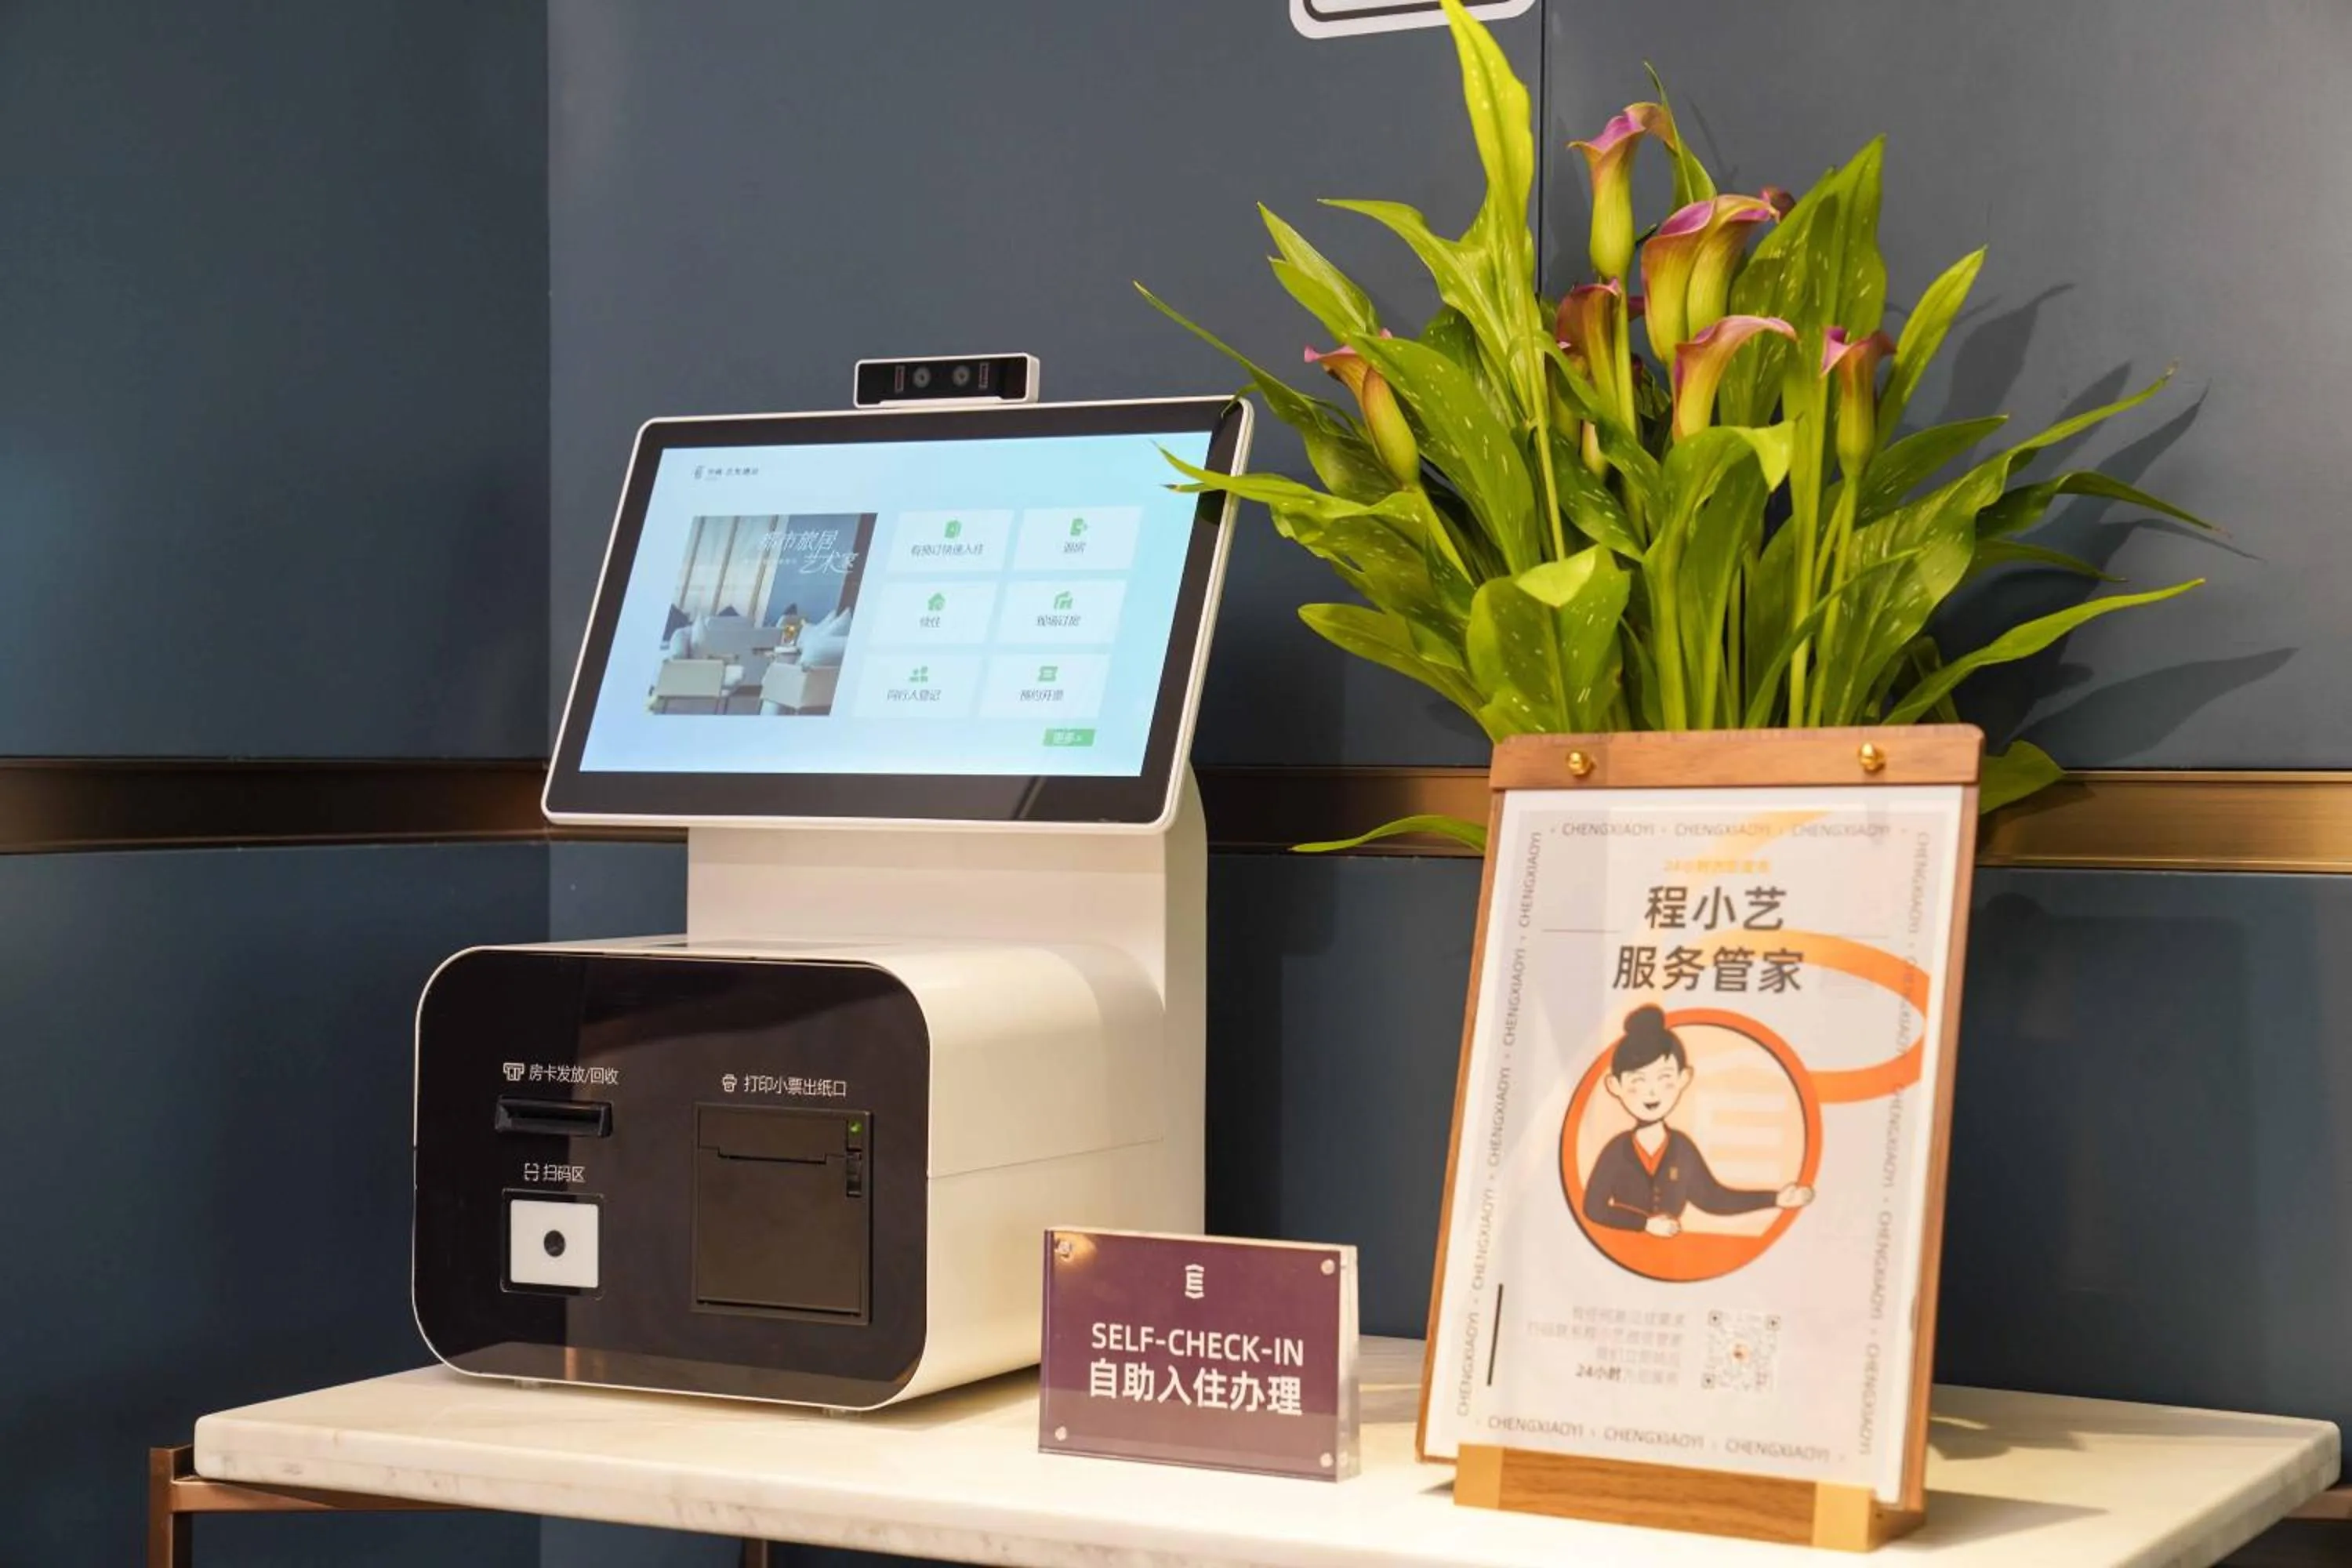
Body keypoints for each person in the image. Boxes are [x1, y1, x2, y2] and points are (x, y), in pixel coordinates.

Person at [1581, 1005, 1813, 1237]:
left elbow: (1713, 1198)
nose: (1652, 1093)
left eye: (1665, 1080)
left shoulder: (1682, 1148)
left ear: (1683, 1078)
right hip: (1619, 1253)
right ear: (1615, 1086)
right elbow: (1593, 1208)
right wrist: (1644, 1224)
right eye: (1638, 1082)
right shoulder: (1617, 1151)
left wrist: (1776, 1199)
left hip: (1673, 1256)